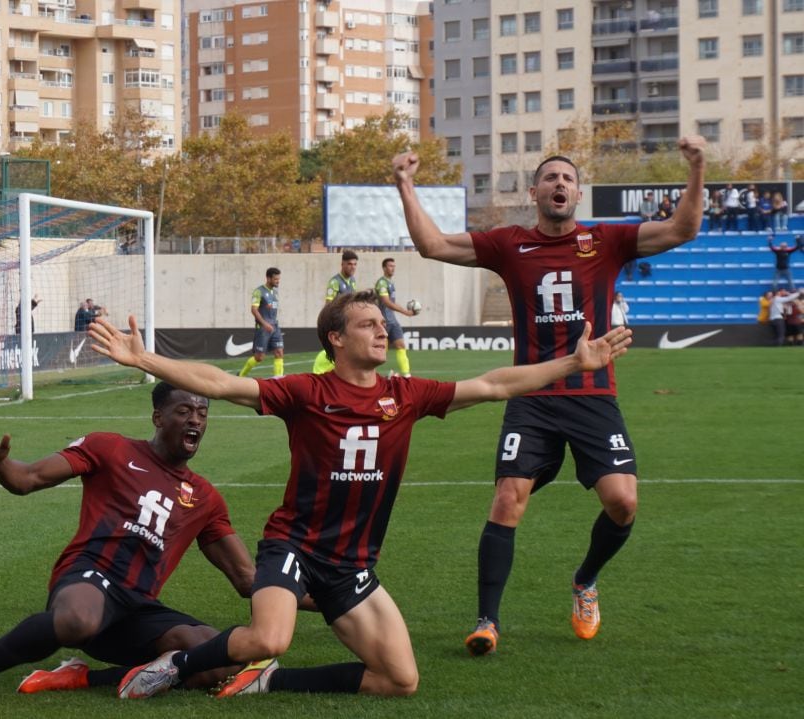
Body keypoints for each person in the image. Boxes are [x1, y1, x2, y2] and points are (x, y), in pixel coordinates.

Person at [86, 294, 631, 699]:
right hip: (293, 546)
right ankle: (174, 667)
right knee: (269, 635)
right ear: (337, 340)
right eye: (369, 324)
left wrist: (573, 365)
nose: (383, 330)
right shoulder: (307, 391)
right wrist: (146, 360)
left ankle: (268, 686)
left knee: (400, 680)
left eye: (383, 322)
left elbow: (494, 385)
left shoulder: (407, 395)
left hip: (353, 564)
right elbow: (222, 384)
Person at [393, 135, 707, 656]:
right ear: (534, 191)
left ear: (578, 194)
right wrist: (405, 184)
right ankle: (487, 622)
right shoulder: (509, 244)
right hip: (532, 397)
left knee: (623, 502)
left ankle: (585, 581)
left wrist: (696, 168)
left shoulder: (607, 240)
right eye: (551, 177)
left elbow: (683, 228)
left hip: (592, 394)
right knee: (507, 498)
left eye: (568, 178)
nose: (559, 184)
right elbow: (434, 245)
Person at [0, 382, 256, 701]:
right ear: (158, 417)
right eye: (184, 411)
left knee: (223, 657)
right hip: (90, 579)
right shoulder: (109, 448)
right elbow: (29, 478)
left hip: (138, 607)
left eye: (202, 414)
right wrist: (2, 465)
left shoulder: (205, 497)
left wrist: (311, 589)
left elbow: (247, 579)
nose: (195, 420)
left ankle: (80, 677)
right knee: (79, 619)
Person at [312, 250, 358, 374]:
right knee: (337, 348)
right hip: (338, 321)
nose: (352, 267)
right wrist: (331, 321)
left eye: (354, 264)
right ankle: (320, 371)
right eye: (349, 264)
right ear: (342, 264)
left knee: (345, 348)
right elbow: (329, 303)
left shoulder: (352, 281)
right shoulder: (335, 282)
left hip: (347, 320)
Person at [374, 257, 418, 377]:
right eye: (390, 266)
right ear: (384, 268)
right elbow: (386, 302)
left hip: (392, 320)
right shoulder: (382, 283)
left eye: (394, 266)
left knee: (401, 345)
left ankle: (406, 375)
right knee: (380, 351)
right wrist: (405, 311)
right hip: (383, 321)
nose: (392, 268)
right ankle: (370, 375)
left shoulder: (390, 283)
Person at [237, 267, 284, 378]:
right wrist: (264, 324)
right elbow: (254, 309)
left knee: (279, 353)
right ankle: (241, 375)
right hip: (263, 329)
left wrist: (272, 324)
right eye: (276, 279)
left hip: (275, 327)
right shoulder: (259, 292)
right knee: (259, 357)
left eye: (279, 279)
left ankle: (278, 381)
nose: (278, 281)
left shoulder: (275, 292)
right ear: (268, 278)